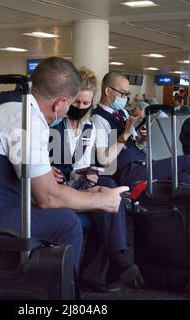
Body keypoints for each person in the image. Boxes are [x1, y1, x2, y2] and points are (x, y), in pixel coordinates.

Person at [0, 57, 128, 273]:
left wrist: (84, 193)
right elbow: (49, 197)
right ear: (60, 103)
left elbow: (39, 191)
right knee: (65, 222)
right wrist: (100, 199)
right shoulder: (24, 118)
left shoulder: (10, 104)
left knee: (50, 215)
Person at [49, 67, 140, 293]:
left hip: (77, 183)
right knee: (107, 192)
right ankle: (117, 259)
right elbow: (43, 162)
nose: (80, 108)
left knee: (107, 190)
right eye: (76, 103)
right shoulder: (52, 127)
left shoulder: (88, 127)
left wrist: (90, 172)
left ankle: (105, 268)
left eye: (85, 104)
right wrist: (47, 166)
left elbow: (96, 163)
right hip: (55, 188)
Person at [91, 71, 190, 189]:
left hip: (141, 163)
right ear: (108, 91)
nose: (125, 98)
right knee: (188, 161)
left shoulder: (122, 113)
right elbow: (104, 159)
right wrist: (124, 135)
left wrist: (143, 139)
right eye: (123, 93)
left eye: (127, 94)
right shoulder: (99, 120)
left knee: (184, 178)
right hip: (127, 172)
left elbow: (136, 143)